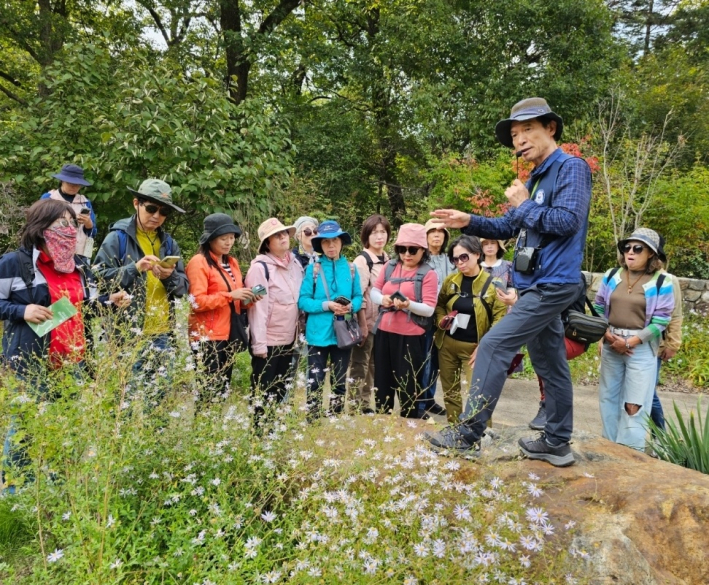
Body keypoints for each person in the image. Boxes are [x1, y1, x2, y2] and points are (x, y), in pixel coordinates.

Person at [426, 97, 592, 467]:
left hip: (555, 283)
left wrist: (523, 204)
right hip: (536, 284)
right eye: (515, 134)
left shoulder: (572, 168)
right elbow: (505, 227)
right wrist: (466, 219)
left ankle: (468, 434)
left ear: (550, 128)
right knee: (550, 363)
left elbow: (567, 222)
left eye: (527, 130)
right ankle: (557, 442)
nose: (519, 140)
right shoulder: (533, 179)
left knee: (494, 344)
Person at [0, 199, 128, 492]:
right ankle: (14, 494)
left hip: (72, 361)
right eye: (61, 224)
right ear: (40, 229)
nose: (69, 230)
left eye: (73, 223)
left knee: (63, 427)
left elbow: (81, 307)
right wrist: (22, 311)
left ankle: (55, 490)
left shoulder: (79, 266)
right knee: (25, 428)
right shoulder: (15, 263)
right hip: (31, 361)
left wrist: (110, 301)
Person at [93, 179, 188, 403]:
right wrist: (135, 268)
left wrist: (169, 277)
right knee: (122, 401)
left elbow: (183, 288)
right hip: (125, 335)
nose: (157, 215)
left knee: (158, 402)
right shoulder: (117, 238)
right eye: (151, 208)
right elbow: (97, 278)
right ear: (136, 203)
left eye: (164, 211)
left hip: (162, 334)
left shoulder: (169, 243)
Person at [593, 228, 674, 451]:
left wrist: (630, 342)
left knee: (634, 404)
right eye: (627, 247)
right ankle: (608, 448)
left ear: (651, 254)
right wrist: (606, 334)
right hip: (611, 343)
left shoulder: (661, 282)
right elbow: (598, 307)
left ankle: (630, 452)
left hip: (640, 349)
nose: (630, 252)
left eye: (638, 248)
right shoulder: (611, 275)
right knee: (608, 398)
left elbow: (661, 322)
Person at [186, 214, 256, 406]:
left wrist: (249, 299)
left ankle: (215, 432)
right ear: (211, 239)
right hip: (206, 335)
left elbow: (236, 302)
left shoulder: (232, 262)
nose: (228, 242)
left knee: (223, 387)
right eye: (223, 238)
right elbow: (196, 302)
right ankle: (202, 430)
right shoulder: (198, 262)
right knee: (208, 390)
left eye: (232, 237)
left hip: (229, 333)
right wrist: (230, 296)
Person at [435, 236, 506, 423]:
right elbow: (440, 305)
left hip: (476, 349)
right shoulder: (451, 281)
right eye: (455, 259)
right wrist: (442, 320)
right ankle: (454, 431)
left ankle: (480, 435)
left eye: (463, 257)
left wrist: (486, 345)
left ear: (476, 254)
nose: (459, 263)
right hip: (447, 345)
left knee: (478, 394)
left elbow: (501, 317)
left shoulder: (493, 284)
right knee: (450, 392)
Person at [370, 223, 438, 418]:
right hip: (385, 331)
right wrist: (382, 299)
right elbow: (375, 290)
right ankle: (382, 420)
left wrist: (408, 305)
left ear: (422, 250)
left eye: (412, 249)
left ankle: (409, 424)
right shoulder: (389, 267)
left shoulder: (428, 274)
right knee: (382, 381)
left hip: (411, 336)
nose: (407, 254)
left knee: (409, 383)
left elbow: (429, 308)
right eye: (402, 249)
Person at [298, 220, 362, 419]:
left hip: (343, 333)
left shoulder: (351, 269)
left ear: (342, 242)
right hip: (317, 333)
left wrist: (351, 306)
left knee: (340, 380)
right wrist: (327, 305)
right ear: (320, 245)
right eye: (326, 242)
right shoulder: (313, 270)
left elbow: (359, 297)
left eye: (334, 241)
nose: (331, 246)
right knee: (315, 379)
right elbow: (303, 301)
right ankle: (313, 419)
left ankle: (334, 417)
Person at [245, 218, 304, 428]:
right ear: (267, 243)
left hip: (289, 338)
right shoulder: (260, 269)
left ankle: (275, 432)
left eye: (284, 234)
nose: (282, 238)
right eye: (276, 236)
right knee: (263, 390)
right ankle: (259, 434)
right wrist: (259, 344)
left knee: (281, 388)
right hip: (268, 342)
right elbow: (257, 308)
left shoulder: (295, 264)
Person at [347, 214, 391, 414]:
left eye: (383, 232)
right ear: (366, 235)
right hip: (367, 321)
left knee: (373, 364)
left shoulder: (388, 258)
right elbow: (359, 294)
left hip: (383, 322)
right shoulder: (362, 260)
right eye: (374, 233)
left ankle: (366, 403)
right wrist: (362, 325)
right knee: (360, 364)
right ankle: (356, 404)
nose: (379, 237)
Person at [419, 219, 455, 417]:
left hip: (447, 316)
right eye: (432, 231)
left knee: (437, 360)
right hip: (424, 315)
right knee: (423, 358)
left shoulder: (451, 259)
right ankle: (420, 401)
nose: (437, 235)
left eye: (441, 232)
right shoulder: (420, 259)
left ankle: (430, 399)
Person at [651, 235, 683, 432]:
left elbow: (676, 314)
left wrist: (673, 344)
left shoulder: (669, 280)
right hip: (626, 346)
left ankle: (660, 435)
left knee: (648, 392)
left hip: (655, 346)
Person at [40, 164, 97, 258]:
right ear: (62, 181)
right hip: (52, 252)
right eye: (70, 183)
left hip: (78, 254)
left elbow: (93, 232)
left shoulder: (85, 202)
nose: (74, 187)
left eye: (77, 184)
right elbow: (37, 225)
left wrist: (88, 223)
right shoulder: (49, 198)